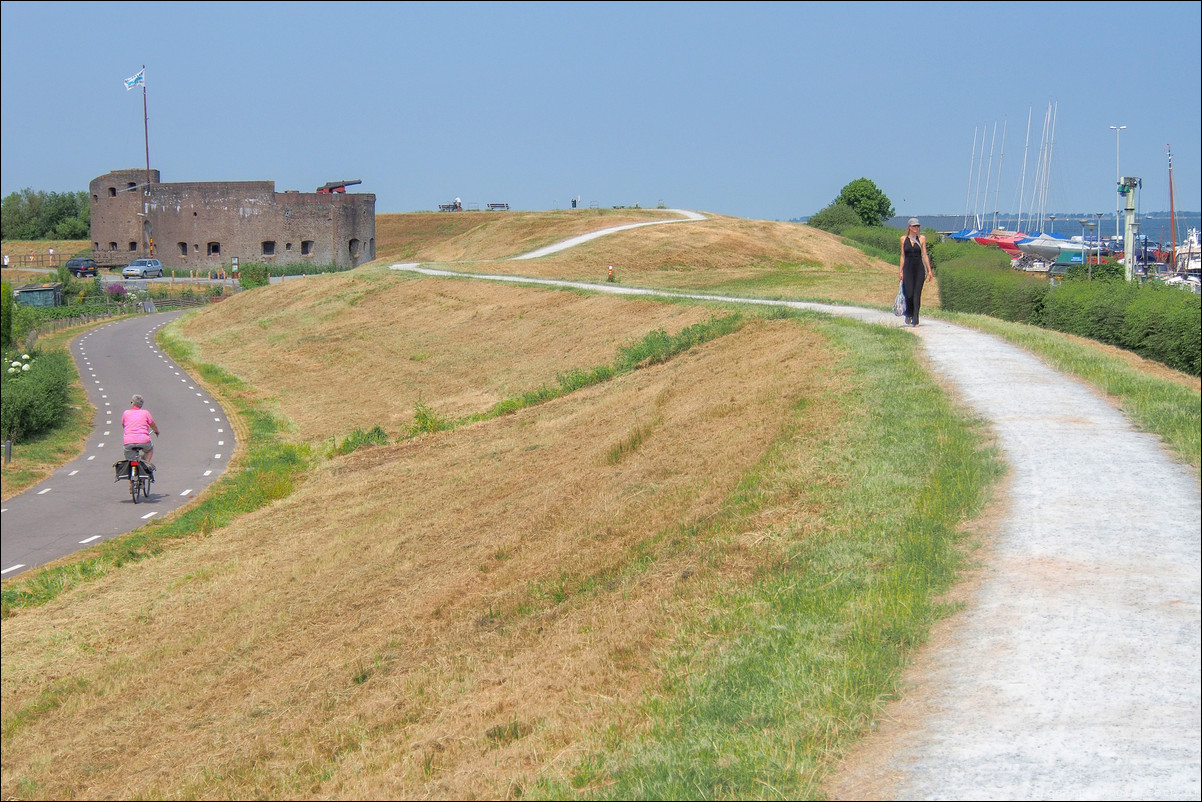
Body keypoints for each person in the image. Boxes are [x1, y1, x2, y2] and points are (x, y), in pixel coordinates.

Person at [899, 218, 934, 326]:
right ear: (909, 227)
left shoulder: (922, 238)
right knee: (908, 293)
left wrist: (929, 271)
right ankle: (908, 313)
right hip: (908, 269)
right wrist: (900, 271)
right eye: (914, 226)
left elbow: (924, 255)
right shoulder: (903, 239)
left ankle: (916, 319)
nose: (916, 228)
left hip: (919, 268)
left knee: (917, 294)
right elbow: (902, 255)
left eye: (917, 226)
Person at [122, 394, 160, 473]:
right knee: (150, 449)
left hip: (129, 442)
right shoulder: (146, 413)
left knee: (130, 462)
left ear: (133, 403)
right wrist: (156, 431)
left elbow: (123, 425)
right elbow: (152, 424)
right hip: (144, 441)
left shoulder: (126, 413)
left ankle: (131, 482)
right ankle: (146, 464)